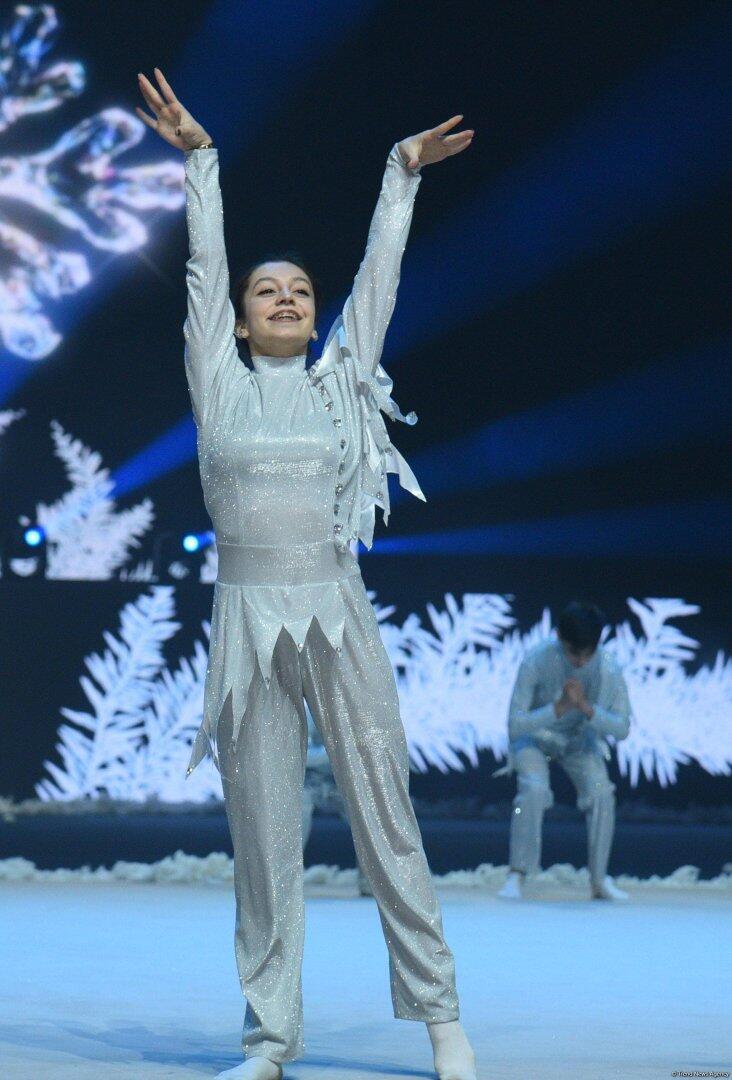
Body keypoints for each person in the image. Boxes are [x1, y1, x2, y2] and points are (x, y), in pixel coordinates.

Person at [136, 68, 477, 1080]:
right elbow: (204, 270)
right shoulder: (221, 387)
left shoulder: (340, 383)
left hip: (335, 612)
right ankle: (269, 1036)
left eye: (300, 293)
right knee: (265, 840)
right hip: (245, 626)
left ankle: (443, 1016)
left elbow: (381, 279)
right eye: (265, 292)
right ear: (239, 324)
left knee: (385, 814)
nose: (285, 299)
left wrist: (399, 177)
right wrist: (202, 164)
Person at [496, 601, 631, 902]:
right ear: (559, 638)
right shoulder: (536, 661)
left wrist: (586, 709)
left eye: (588, 654)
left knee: (601, 794)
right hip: (533, 739)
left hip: (580, 742)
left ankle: (599, 879)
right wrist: (557, 709)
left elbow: (622, 727)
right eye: (574, 653)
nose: (581, 662)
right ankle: (517, 873)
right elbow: (515, 725)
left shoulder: (608, 668)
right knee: (532, 788)